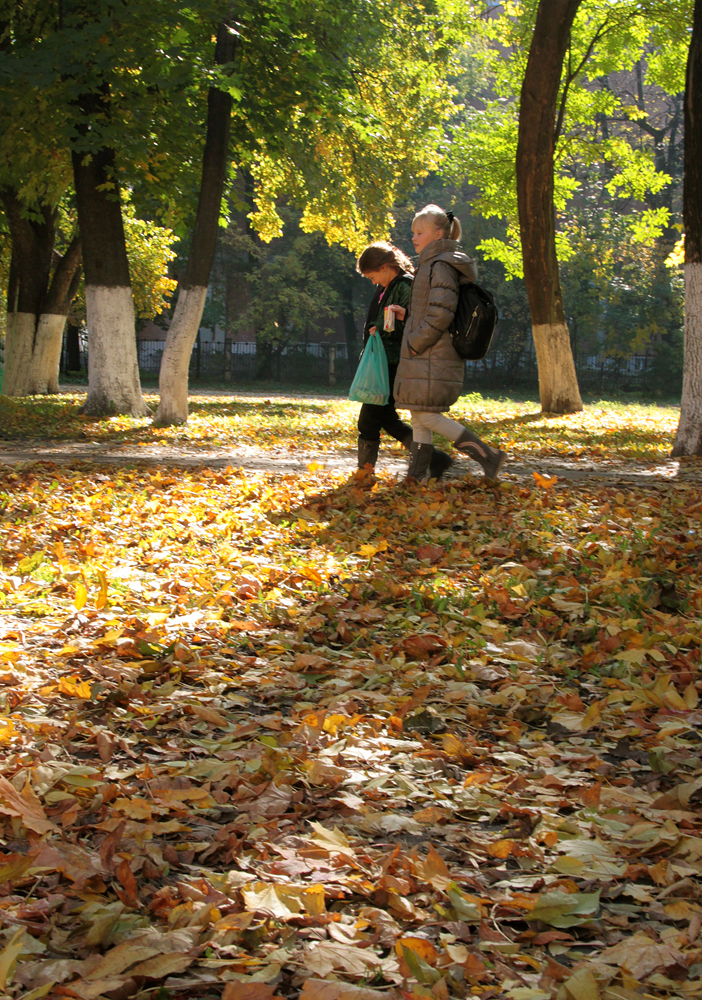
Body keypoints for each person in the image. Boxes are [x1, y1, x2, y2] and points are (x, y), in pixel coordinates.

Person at [393, 205, 506, 481]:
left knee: (428, 417)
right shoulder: (432, 264)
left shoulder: (440, 265)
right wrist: (408, 317)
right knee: (420, 416)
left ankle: (488, 457)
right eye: (413, 232)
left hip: (433, 353)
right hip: (427, 352)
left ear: (439, 234)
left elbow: (441, 314)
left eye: (420, 232)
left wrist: (415, 343)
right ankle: (417, 477)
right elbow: (431, 310)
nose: (414, 238)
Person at [355, 242, 453, 479]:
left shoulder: (405, 286)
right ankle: (436, 459)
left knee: (368, 422)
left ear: (385, 266)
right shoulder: (386, 288)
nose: (373, 281)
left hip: (392, 363)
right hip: (382, 361)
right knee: (387, 419)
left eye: (372, 276)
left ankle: (364, 473)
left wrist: (380, 327)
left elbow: (411, 324)